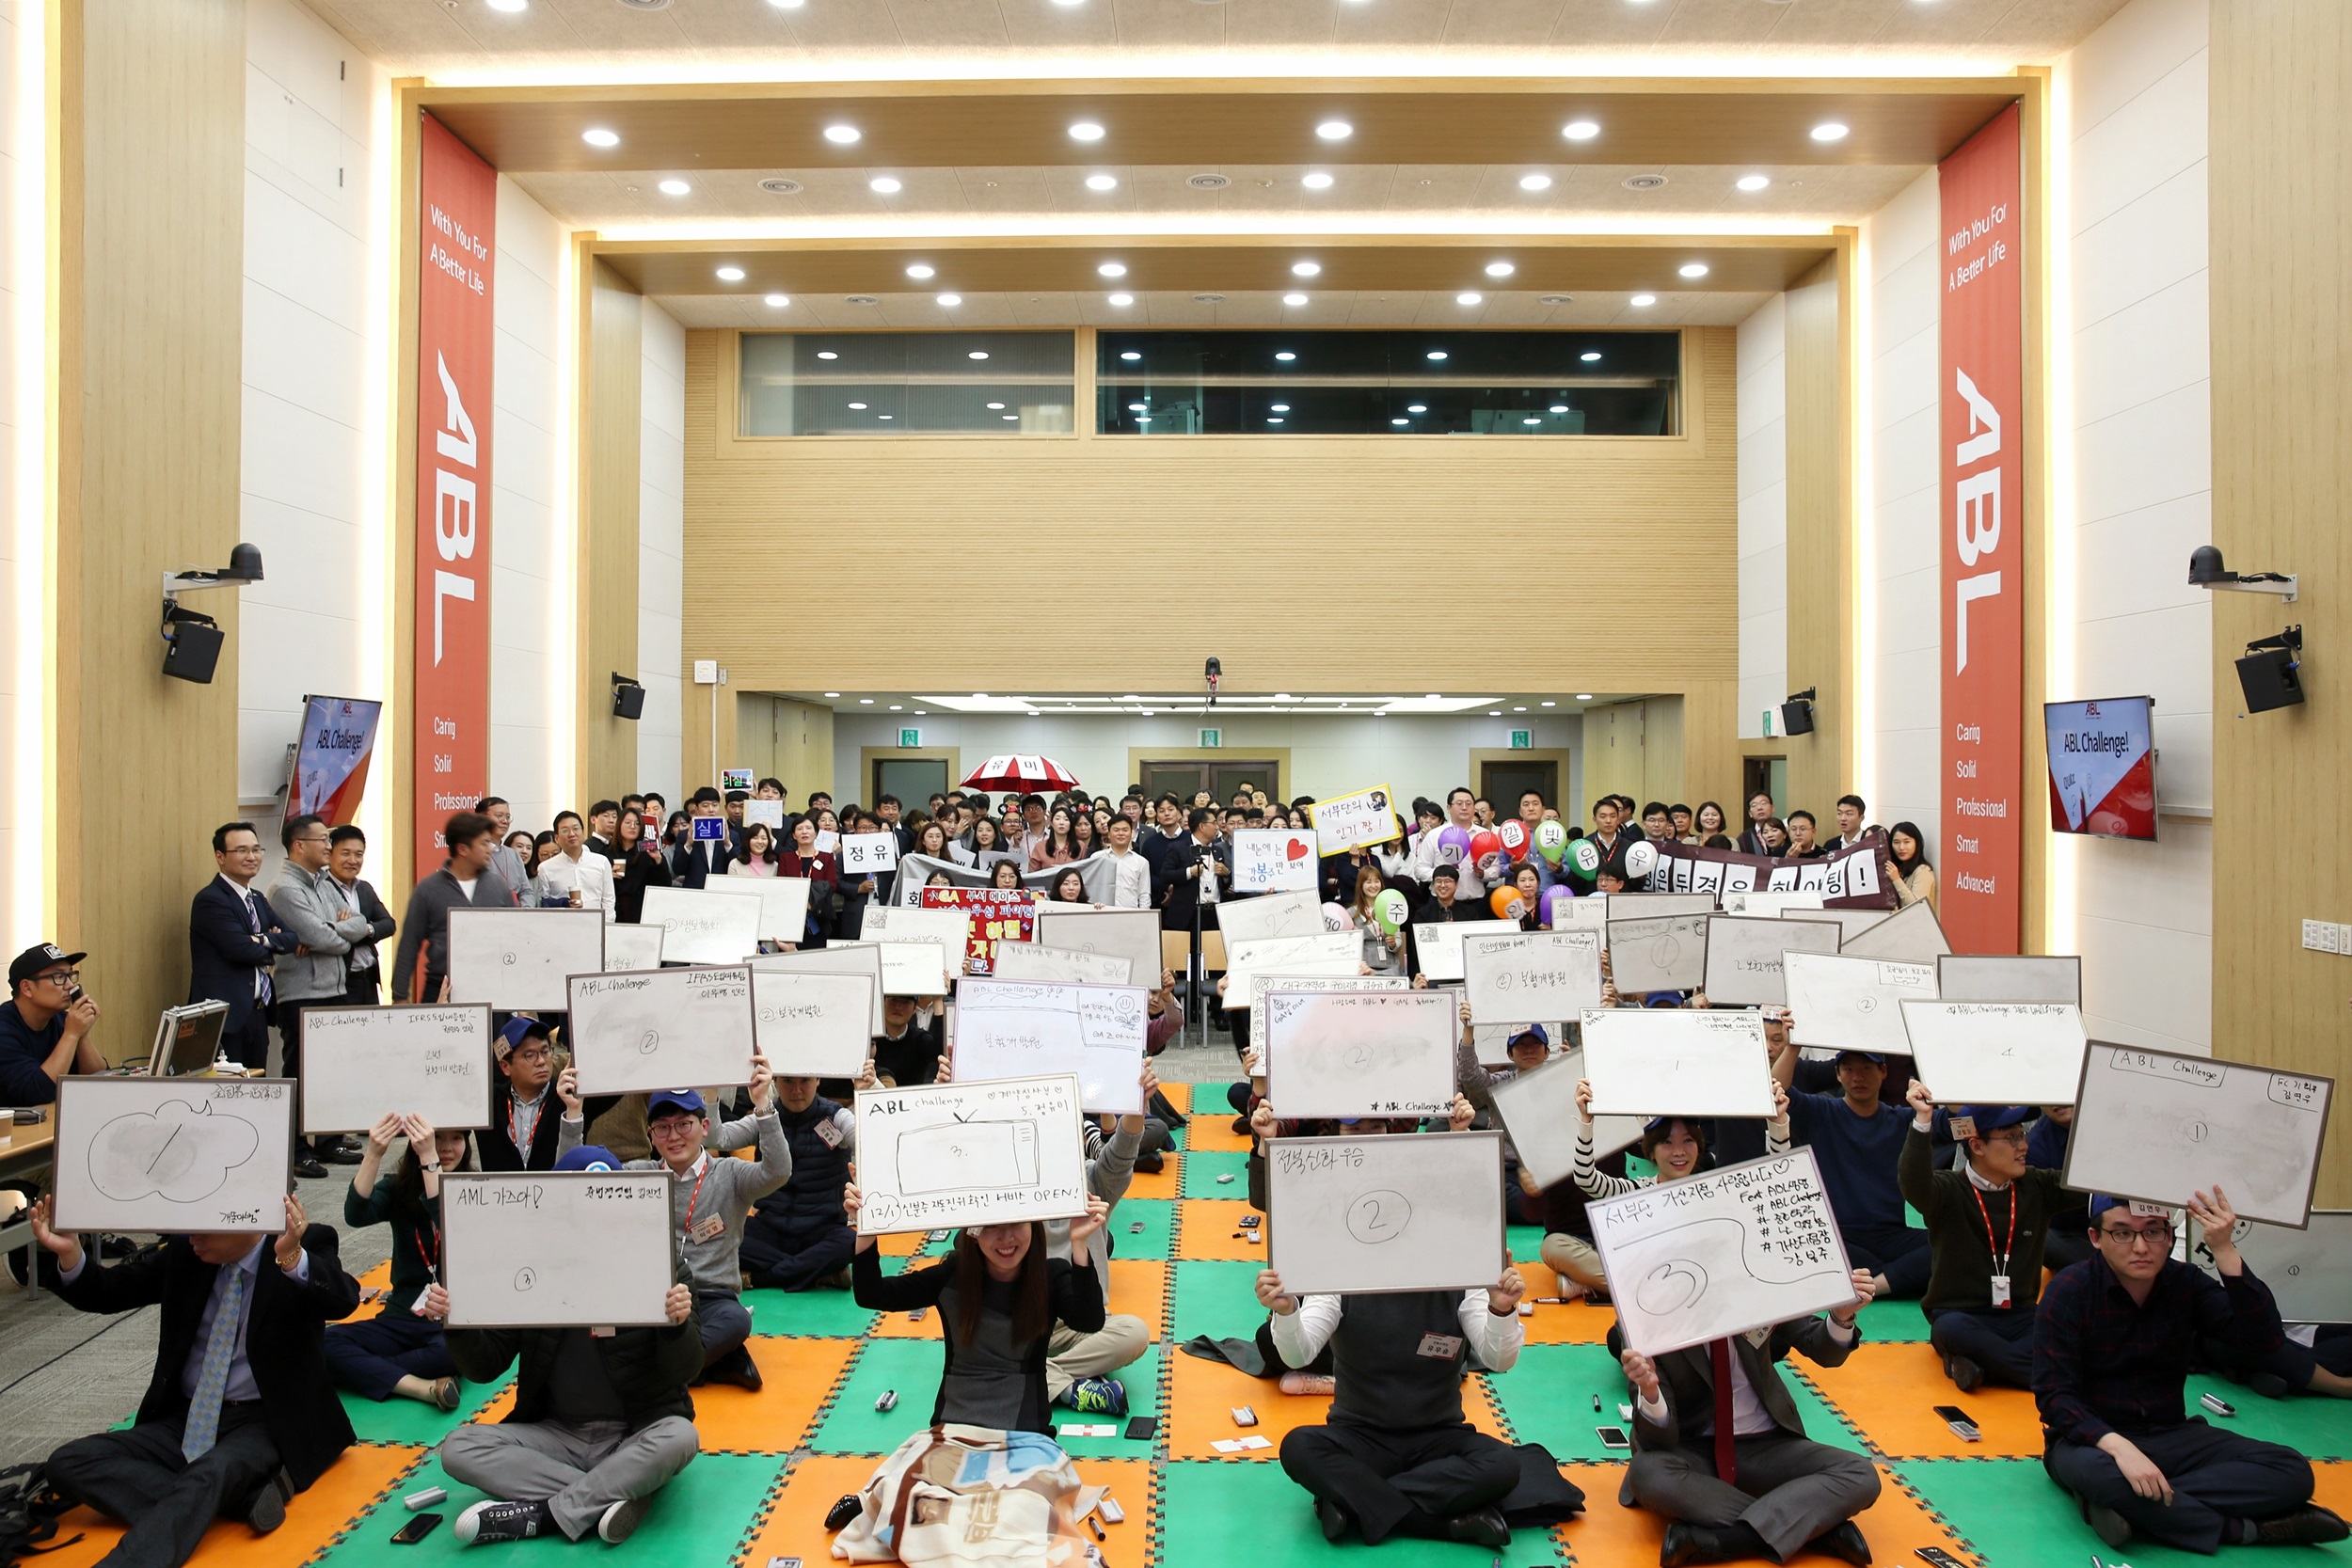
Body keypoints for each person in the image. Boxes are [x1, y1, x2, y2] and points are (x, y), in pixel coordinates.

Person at [27, 1192, 358, 1568]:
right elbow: (110, 1290)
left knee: (211, 1472)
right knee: (68, 1462)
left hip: (264, 1419)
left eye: (203, 1230)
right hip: (187, 1416)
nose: (192, 1238)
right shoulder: (188, 1252)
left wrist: (293, 1257)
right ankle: (241, 1501)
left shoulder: (303, 1243)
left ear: (245, 1222)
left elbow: (345, 1300)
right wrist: (70, 1255)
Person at [2035, 1190, 2347, 1553]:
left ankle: (2138, 1506)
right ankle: (2243, 1529)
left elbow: (2264, 1341)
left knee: (2292, 1471)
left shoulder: (2186, 1282)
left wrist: (2225, 1251)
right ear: (2096, 1239)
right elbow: (2055, 1396)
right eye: (2122, 1233)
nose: (2140, 1247)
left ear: (2169, 1237)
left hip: (2172, 1434)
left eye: (2153, 1232)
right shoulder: (2068, 1291)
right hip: (2091, 1441)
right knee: (2103, 1477)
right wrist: (2118, 1447)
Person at [434, 1144, 703, 1546]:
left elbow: (686, 1370)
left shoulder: (661, 1265)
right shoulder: (530, 1269)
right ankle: (610, 1495)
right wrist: (457, 1325)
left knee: (681, 1437)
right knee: (457, 1447)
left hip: (632, 1432)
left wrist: (676, 1326)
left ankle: (546, 1516)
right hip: (554, 1435)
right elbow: (486, 1367)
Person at [1260, 1259, 1542, 1551]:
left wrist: (1501, 1308)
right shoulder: (1339, 1276)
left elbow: (1499, 1360)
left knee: (1503, 1465)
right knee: (1298, 1447)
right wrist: (1287, 1312)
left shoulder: (1462, 1279)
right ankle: (1439, 1525)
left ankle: (1355, 1499)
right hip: (1359, 1435)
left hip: (1439, 1437)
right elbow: (1297, 1357)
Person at [1620, 1272, 1882, 1566]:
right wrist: (1650, 1391)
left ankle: (1727, 1540)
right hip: (1693, 1450)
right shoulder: (1642, 1314)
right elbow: (1658, 1439)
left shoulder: (1761, 1283)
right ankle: (1812, 1530)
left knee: (1861, 1474)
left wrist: (1841, 1318)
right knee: (1647, 1472)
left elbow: (1821, 1349)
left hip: (1769, 1444)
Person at [847, 1184, 1111, 1433]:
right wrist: (867, 1228)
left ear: (1033, 1224)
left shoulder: (1050, 1275)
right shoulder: (954, 1274)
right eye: (991, 1226)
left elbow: (1090, 1321)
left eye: (1017, 1223)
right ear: (973, 1232)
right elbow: (873, 1294)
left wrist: (1079, 1243)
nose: (1006, 1238)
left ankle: (1063, 1381)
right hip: (952, 1433)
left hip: (1027, 1435)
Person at [611, 1075, 790, 1389]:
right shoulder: (640, 1176)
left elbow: (778, 1172)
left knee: (737, 1320)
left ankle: (671, 1371)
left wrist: (763, 1103)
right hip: (656, 1296)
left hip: (712, 1297)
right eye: (663, 1128)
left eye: (684, 1124)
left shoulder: (729, 1174)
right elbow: (574, 1183)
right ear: (651, 1136)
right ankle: (712, 1363)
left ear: (704, 1127)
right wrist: (573, 1114)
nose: (674, 1136)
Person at [1899, 1091, 2071, 1390]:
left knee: (2060, 1332)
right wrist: (1923, 1120)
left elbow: (2092, 1183)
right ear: (1977, 1146)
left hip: (2020, 1315)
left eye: (2022, 1136)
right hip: (1960, 1314)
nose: (2024, 1147)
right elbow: (1913, 1181)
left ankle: (1977, 1366)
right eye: (2012, 1138)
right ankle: (2042, 1378)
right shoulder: (1948, 1190)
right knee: (1953, 1330)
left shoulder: (2036, 1185)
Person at [326, 1113, 468, 1411]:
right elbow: (356, 1214)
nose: (446, 1147)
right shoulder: (398, 1187)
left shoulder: (471, 1188)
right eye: (436, 1138)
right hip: (401, 1316)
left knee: (458, 1354)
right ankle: (425, 1388)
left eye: (456, 1138)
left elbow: (449, 1220)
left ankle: (368, 1371)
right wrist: (375, 1152)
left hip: (449, 1320)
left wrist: (430, 1158)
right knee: (326, 1342)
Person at [1776, 1045, 1931, 1299]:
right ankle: (1897, 1278)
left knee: (1949, 1244)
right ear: (1837, 1075)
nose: (1858, 1077)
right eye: (1849, 1069)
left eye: (1866, 1069)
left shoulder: (1902, 1119)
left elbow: (1957, 1120)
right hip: (1837, 1235)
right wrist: (1794, 1044)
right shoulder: (1820, 1111)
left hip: (1890, 1234)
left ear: (1883, 1072)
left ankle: (1874, 1286)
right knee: (1813, 1250)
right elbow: (1777, 1090)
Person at [270, 814, 375, 1174]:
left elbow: (359, 923)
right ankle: (298, 1150)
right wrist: (332, 933)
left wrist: (332, 931)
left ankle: (328, 1141)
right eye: (323, 841)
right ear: (299, 845)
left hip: (335, 989)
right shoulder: (287, 889)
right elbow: (326, 939)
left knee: (331, 1071)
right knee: (301, 1072)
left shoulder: (324, 883)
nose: (329, 847)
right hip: (302, 994)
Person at [189, 822, 299, 1072]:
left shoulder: (257, 898)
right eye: (241, 851)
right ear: (220, 857)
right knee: (230, 1092)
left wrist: (259, 939)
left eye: (256, 849)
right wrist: (269, 944)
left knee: (257, 1085)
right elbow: (241, 950)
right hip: (225, 1018)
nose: (251, 857)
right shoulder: (211, 899)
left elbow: (292, 939)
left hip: (257, 1013)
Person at [739, 1073, 855, 1291]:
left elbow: (864, 1139)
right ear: (775, 1082)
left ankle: (760, 1278)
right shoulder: (763, 1116)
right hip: (770, 1228)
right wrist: (711, 1096)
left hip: (821, 1229)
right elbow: (718, 1137)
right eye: (788, 1082)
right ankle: (820, 1273)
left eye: (805, 1081)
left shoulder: (836, 1117)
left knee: (850, 1241)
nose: (797, 1090)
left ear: (818, 1080)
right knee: (726, 1234)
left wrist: (866, 1092)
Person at [389, 811, 514, 1005]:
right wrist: (400, 996)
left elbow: (516, 939)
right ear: (463, 849)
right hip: (441, 988)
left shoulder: (499, 886)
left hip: (492, 989)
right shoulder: (428, 889)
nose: (490, 849)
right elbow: (409, 943)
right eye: (483, 843)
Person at [1, 943, 103, 1105]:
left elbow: (101, 1080)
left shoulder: (63, 1020)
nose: (70, 986)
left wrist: (82, 1034)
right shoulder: (4, 1029)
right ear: (27, 988)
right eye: (59, 977)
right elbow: (37, 1092)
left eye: (71, 976)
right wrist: (71, 1035)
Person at [477, 1018, 585, 1171]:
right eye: (530, 1055)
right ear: (505, 1066)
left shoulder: (569, 1095)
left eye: (545, 1052)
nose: (541, 1061)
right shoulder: (488, 1102)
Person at [325, 826, 396, 1005]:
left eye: (359, 854)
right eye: (345, 853)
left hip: (369, 978)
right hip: (341, 982)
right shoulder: (321, 889)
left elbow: (389, 924)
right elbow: (324, 932)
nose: (352, 860)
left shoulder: (364, 888)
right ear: (330, 854)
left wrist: (364, 930)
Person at [534, 811, 617, 916]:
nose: (571, 834)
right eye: (565, 831)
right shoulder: (546, 868)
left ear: (583, 832)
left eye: (575, 828)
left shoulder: (601, 862)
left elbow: (608, 899)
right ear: (557, 838)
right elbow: (544, 904)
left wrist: (606, 925)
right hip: (563, 926)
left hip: (595, 926)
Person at [776, 816, 839, 946]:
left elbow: (832, 885)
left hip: (819, 916)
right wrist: (802, 903)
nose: (804, 832)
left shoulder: (826, 857)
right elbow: (782, 884)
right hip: (792, 917)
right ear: (794, 835)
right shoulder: (785, 858)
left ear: (816, 834)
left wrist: (812, 903)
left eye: (809, 828)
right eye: (800, 829)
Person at [613, 809, 672, 926]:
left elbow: (665, 883)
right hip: (616, 909)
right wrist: (608, 876)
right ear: (619, 824)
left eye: (637, 823)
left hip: (642, 910)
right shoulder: (608, 852)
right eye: (628, 823)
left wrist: (658, 859)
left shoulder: (648, 851)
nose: (633, 827)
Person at [476, 799, 530, 906]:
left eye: (508, 817)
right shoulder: (475, 855)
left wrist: (525, 911)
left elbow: (526, 891)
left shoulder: (513, 854)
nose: (505, 821)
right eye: (499, 816)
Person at [1102, 814, 1152, 909]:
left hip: (1131, 916)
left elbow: (1144, 894)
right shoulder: (1097, 858)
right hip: (1102, 914)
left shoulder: (1141, 862)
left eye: (1125, 830)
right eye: (1116, 830)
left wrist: (1144, 916)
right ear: (1109, 834)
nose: (1121, 833)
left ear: (1131, 833)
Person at [1887, 822, 1938, 911]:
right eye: (1896, 842)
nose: (1901, 847)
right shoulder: (1899, 868)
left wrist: (1897, 880)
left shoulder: (1923, 870)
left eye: (1907, 842)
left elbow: (1918, 906)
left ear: (1916, 843)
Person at [1738, 791, 1776, 855]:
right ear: (1750, 813)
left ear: (1772, 808)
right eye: (1754, 805)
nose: (1759, 808)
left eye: (1763, 803)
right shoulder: (1744, 838)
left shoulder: (1784, 832)